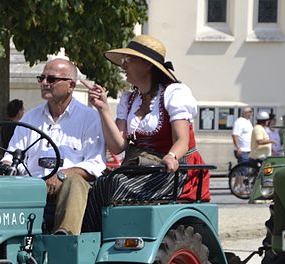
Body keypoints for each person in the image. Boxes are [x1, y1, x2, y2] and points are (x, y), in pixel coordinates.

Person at [81, 34, 210, 232]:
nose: (123, 65)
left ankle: (106, 238)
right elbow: (118, 146)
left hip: (176, 172)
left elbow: (182, 140)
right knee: (100, 185)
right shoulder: (130, 99)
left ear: (147, 65)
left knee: (115, 183)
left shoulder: (174, 93)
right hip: (143, 167)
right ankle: (90, 243)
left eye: (129, 60)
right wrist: (103, 109)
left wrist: (172, 156)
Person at [0, 58, 106, 235]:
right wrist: (6, 165)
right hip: (31, 186)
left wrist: (63, 175)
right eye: (41, 78)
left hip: (69, 190)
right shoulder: (30, 118)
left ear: (71, 85)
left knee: (74, 183)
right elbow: (12, 154)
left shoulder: (90, 118)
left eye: (51, 79)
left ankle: (64, 239)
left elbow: (96, 164)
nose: (44, 83)